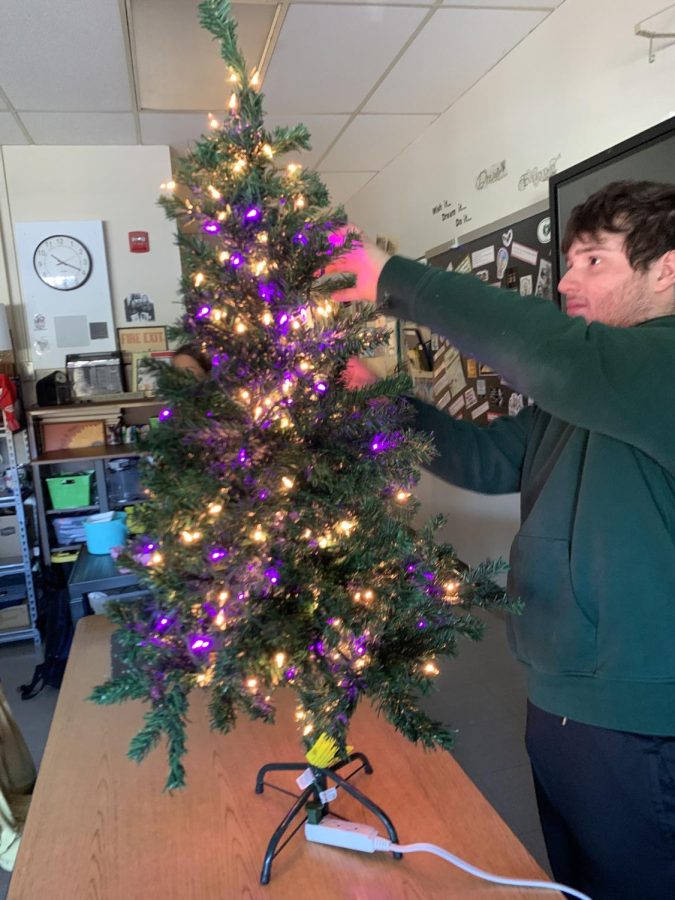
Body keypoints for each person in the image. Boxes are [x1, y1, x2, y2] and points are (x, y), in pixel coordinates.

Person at [330, 180, 675, 900]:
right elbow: (486, 461)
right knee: (582, 881)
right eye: (567, 264)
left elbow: (554, 355)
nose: (568, 283)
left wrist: (387, 278)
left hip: (642, 719)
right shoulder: (584, 386)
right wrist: (380, 399)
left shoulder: (655, 365)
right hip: (558, 693)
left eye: (592, 262)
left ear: (665, 269)